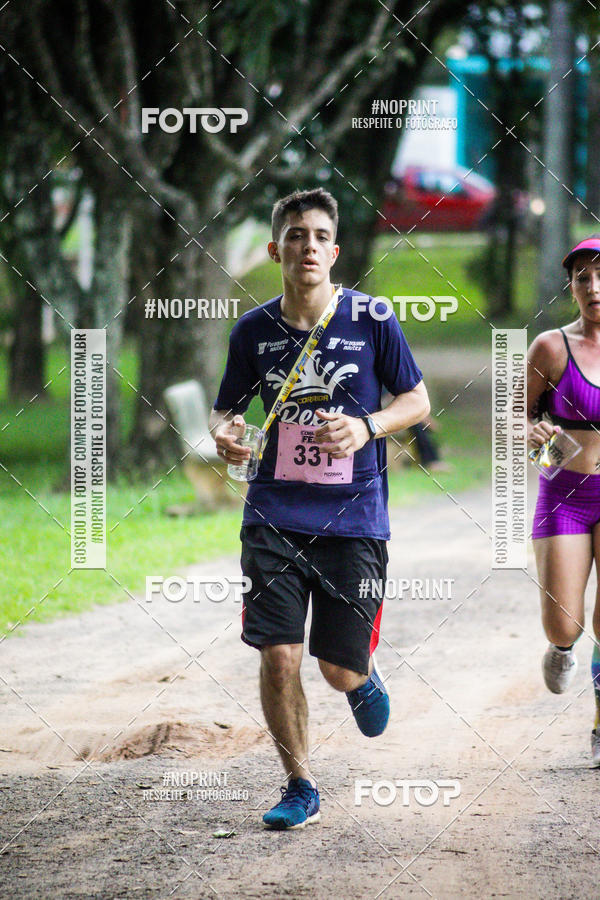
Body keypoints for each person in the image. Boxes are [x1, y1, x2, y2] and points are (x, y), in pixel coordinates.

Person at [210, 188, 429, 828]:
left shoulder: (372, 318)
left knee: (335, 669)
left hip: (354, 520)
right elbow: (229, 410)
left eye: (319, 237)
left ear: (335, 251)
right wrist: (225, 434)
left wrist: (367, 428)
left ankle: (360, 676)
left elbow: (416, 400)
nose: (308, 246)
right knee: (278, 654)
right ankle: (299, 783)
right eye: (296, 235)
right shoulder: (253, 331)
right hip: (274, 516)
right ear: (277, 248)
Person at [527, 236, 600, 767]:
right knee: (565, 623)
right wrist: (530, 430)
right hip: (564, 496)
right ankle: (561, 648)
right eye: (583, 278)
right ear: (571, 287)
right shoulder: (550, 348)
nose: (594, 287)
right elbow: (512, 414)